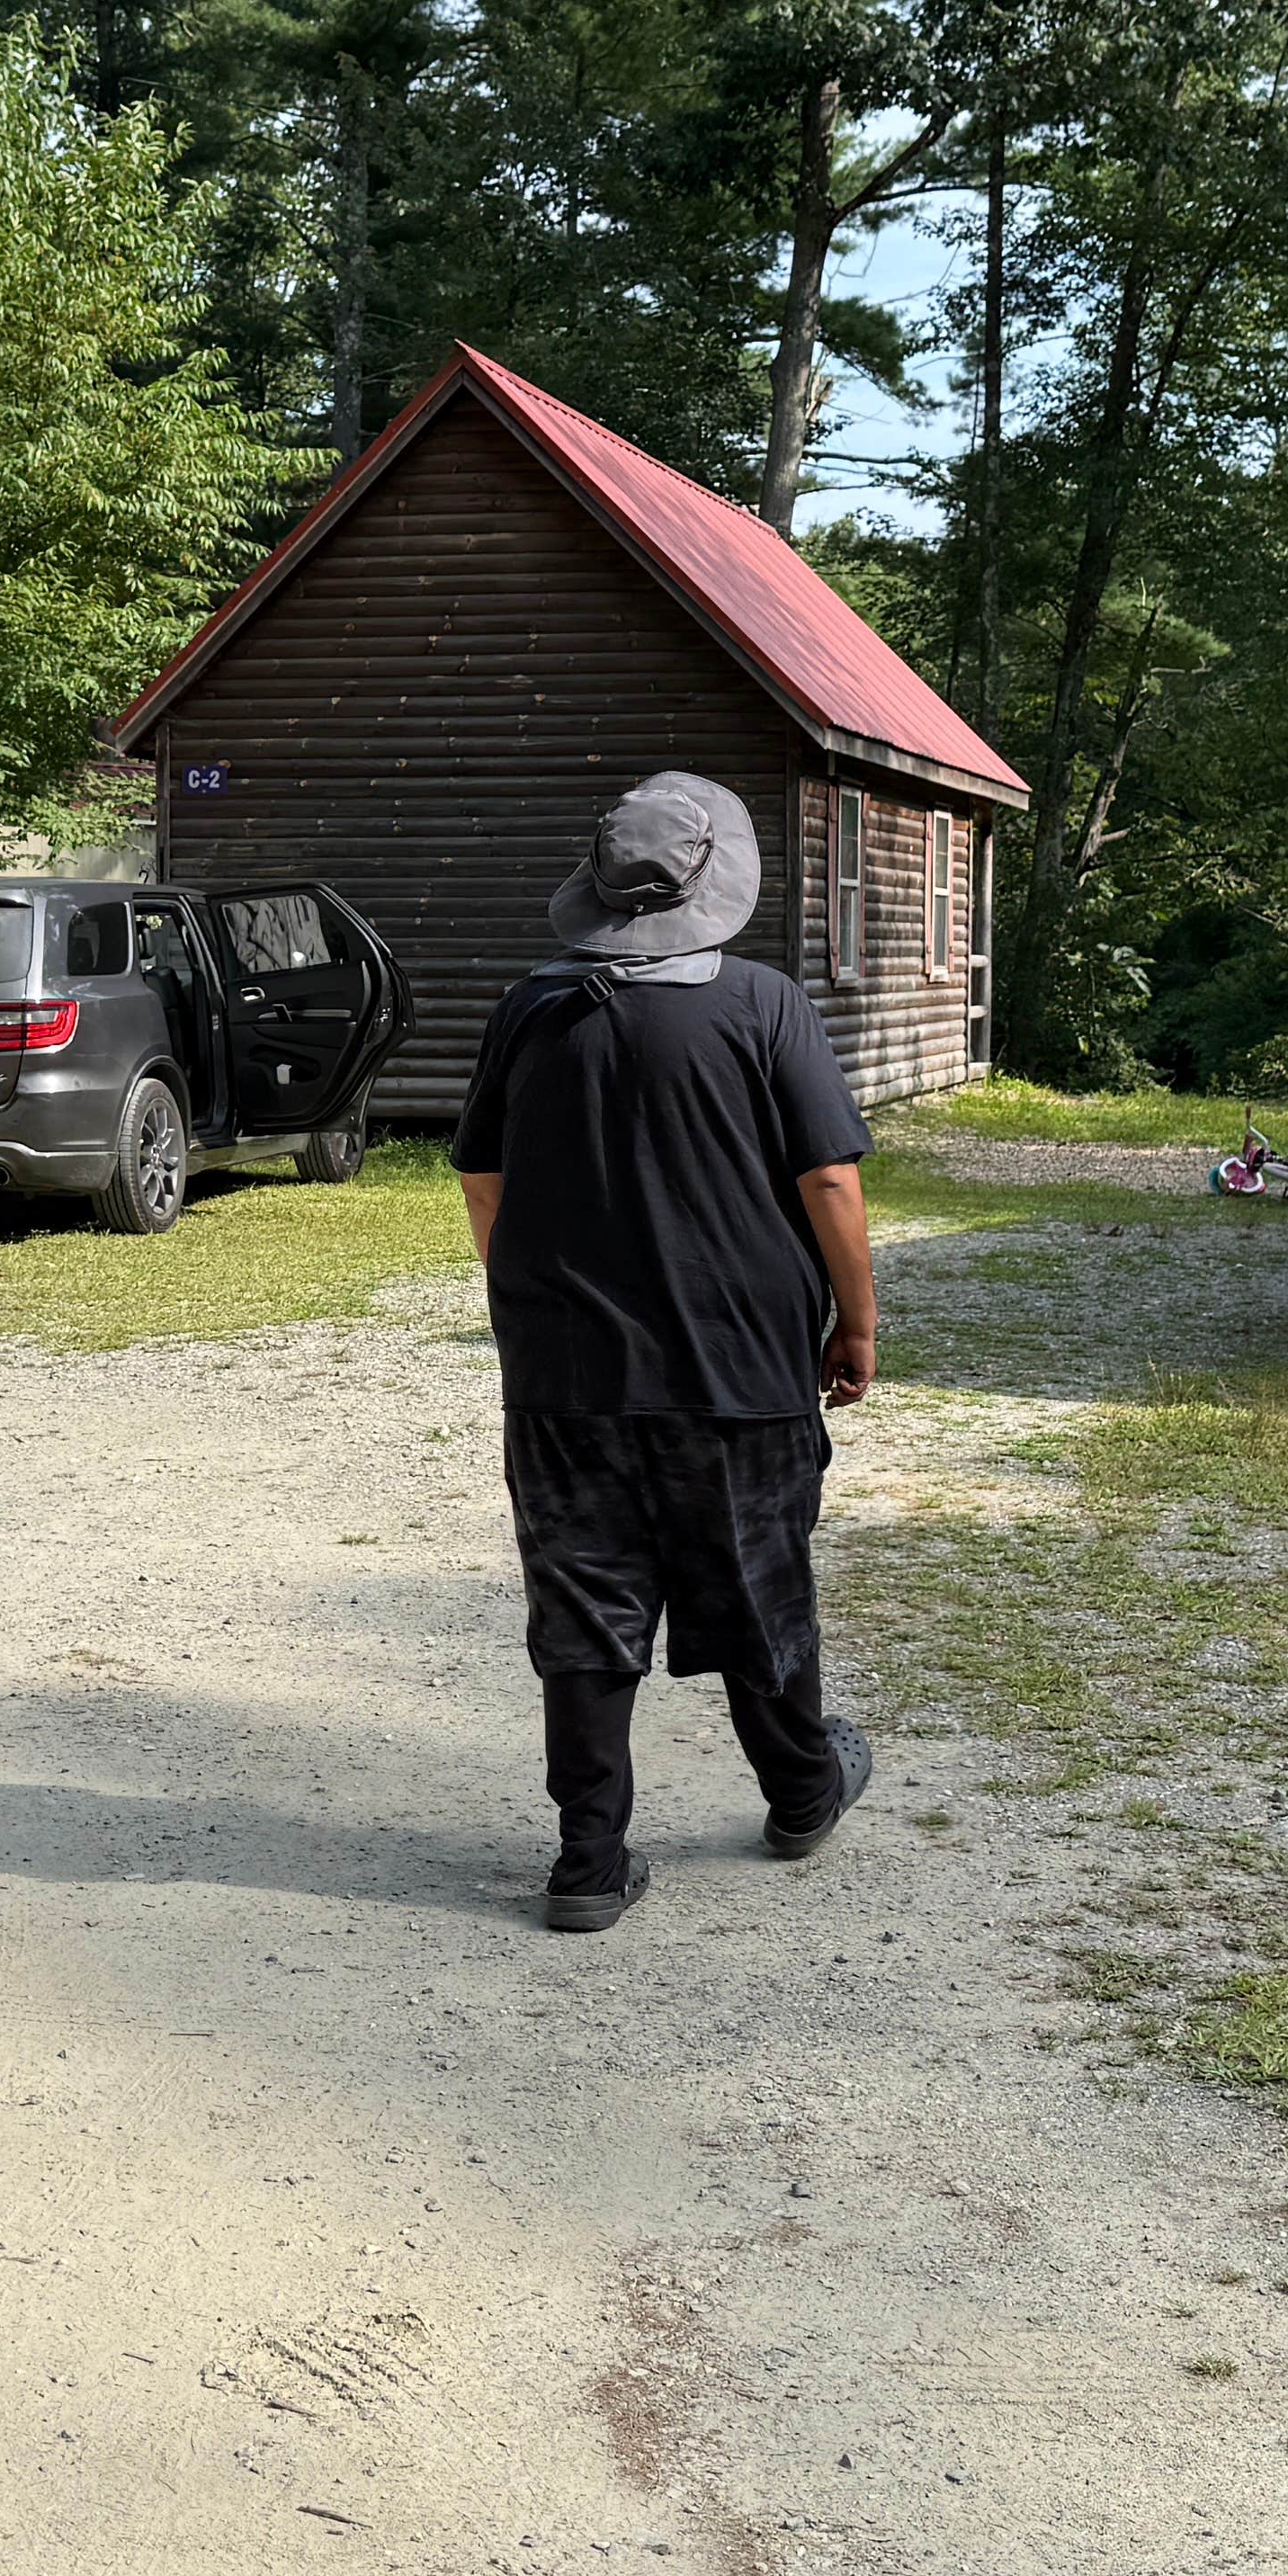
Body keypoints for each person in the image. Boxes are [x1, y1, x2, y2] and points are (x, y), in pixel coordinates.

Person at [450, 771, 881, 1933]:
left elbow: (485, 1181)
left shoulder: (530, 1011)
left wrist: (524, 1304)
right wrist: (858, 1321)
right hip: (736, 1365)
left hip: (564, 1375)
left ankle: (587, 1862)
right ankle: (801, 1792)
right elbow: (829, 1179)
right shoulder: (762, 1006)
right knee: (757, 1581)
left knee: (583, 1606)